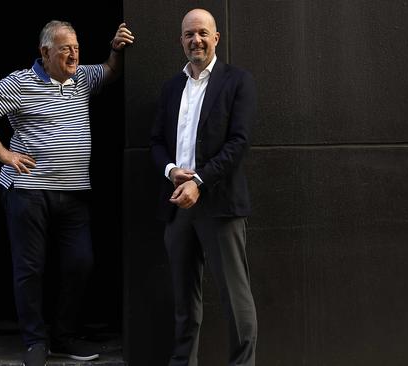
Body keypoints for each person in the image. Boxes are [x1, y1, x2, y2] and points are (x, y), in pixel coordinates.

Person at [0, 20, 134, 366]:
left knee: (80, 263)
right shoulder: (21, 82)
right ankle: (35, 341)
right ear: (44, 52)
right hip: (28, 192)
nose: (73, 55)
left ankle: (63, 336)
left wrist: (116, 49)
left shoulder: (82, 77)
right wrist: (3, 154)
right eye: (65, 48)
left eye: (77, 48)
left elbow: (111, 72)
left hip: (73, 193)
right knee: (31, 269)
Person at [150, 8, 257, 366]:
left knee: (235, 300)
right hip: (177, 206)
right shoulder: (171, 87)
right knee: (184, 303)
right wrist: (170, 171)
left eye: (202, 33)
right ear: (181, 41)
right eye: (188, 35)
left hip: (220, 205)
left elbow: (238, 144)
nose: (196, 40)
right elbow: (156, 142)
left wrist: (199, 180)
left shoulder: (237, 81)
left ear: (216, 38)